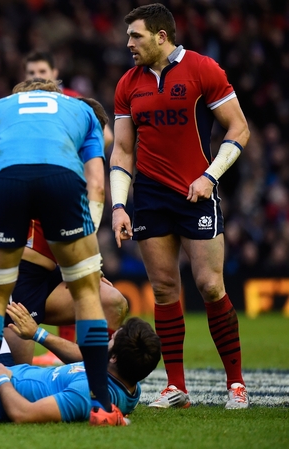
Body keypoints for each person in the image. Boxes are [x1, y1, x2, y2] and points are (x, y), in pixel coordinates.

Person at [110, 3, 250, 409]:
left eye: (136, 36)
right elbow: (121, 151)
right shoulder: (127, 84)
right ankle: (176, 387)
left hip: (197, 190)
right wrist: (119, 206)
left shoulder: (203, 69)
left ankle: (236, 384)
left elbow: (239, 127)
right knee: (165, 289)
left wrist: (211, 177)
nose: (128, 43)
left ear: (161, 36)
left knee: (210, 285)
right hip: (150, 197)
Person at [0, 78, 124, 428]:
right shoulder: (79, 111)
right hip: (59, 189)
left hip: (5, 188)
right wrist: (86, 244)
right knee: (88, 296)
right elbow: (97, 183)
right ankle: (101, 404)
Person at [23, 52, 115, 366]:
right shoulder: (38, 153)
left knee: (114, 302)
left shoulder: (72, 129)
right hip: (19, 276)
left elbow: (106, 138)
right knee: (12, 374)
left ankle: (105, 374)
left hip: (48, 274)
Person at [0, 316, 161, 424]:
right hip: (10, 370)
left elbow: (25, 414)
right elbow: (84, 357)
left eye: (111, 339)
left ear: (113, 357)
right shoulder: (129, 380)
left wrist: (1, 379)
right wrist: (37, 333)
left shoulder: (87, 393)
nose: (106, 339)